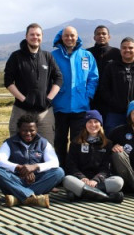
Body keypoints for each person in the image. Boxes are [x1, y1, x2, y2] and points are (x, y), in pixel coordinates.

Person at [4, 23, 63, 145]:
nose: (35, 37)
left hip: (44, 111)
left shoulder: (47, 56)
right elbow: (8, 81)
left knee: (47, 145)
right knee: (17, 144)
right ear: (26, 36)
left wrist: (48, 98)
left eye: (38, 34)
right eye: (32, 34)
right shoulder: (16, 56)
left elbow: (58, 78)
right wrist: (23, 99)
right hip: (21, 110)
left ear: (42, 37)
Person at [0, 114, 64, 208]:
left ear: (37, 129)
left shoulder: (43, 143)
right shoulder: (9, 143)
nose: (28, 133)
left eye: (32, 130)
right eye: (24, 130)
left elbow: (54, 162)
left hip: (37, 181)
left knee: (59, 172)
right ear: (19, 129)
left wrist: (34, 167)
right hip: (16, 181)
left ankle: (18, 197)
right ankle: (32, 197)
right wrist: (19, 168)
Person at [51, 26, 99, 167]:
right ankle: (60, 170)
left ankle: (74, 169)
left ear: (77, 37)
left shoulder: (86, 56)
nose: (69, 38)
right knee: (59, 141)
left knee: (78, 141)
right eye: (66, 35)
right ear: (62, 37)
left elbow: (93, 78)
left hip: (81, 106)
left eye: (72, 35)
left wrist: (88, 95)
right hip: (60, 106)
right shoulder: (53, 56)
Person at [63, 110, 124, 202]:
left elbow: (106, 168)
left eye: (96, 122)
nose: (93, 125)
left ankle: (81, 194)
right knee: (67, 180)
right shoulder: (76, 142)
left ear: (100, 124)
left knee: (118, 182)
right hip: (81, 181)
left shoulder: (107, 144)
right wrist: (82, 178)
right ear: (85, 124)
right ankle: (106, 197)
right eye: (89, 122)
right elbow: (71, 165)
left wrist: (96, 180)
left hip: (99, 182)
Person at [87, 25, 121, 118]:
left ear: (109, 37)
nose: (101, 36)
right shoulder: (87, 53)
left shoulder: (117, 53)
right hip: (92, 98)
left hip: (111, 100)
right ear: (94, 37)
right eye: (98, 34)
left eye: (104, 34)